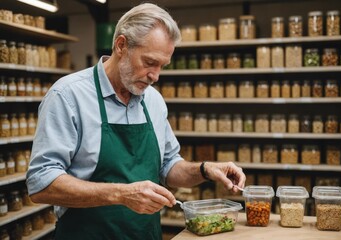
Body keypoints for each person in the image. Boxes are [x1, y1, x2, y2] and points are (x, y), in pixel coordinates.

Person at [26, 3, 246, 239]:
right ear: (121, 45)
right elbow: (41, 183)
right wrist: (121, 194)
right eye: (150, 62)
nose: (155, 76)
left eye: (162, 66)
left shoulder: (153, 100)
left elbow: (169, 166)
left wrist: (205, 169)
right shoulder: (69, 96)